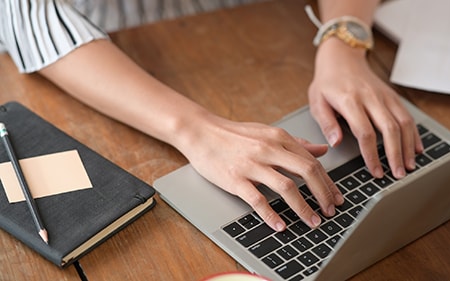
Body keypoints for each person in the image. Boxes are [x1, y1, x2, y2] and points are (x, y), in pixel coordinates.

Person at [0, 0, 422, 232]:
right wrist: (195, 130)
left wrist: (343, 40)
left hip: (272, 24)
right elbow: (29, 16)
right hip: (110, 51)